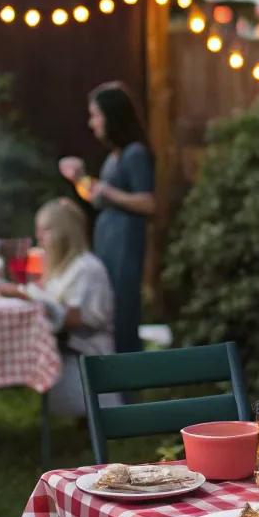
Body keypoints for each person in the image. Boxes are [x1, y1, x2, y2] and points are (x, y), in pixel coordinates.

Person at [0, 198, 115, 415]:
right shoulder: (65, 268)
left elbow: (74, 318)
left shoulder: (86, 268)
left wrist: (25, 294)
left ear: (65, 232)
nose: (39, 237)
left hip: (85, 353)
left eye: (46, 230)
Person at [59, 81, 154, 352]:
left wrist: (106, 190)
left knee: (122, 308)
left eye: (96, 115)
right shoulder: (114, 157)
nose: (92, 123)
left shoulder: (135, 153)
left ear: (113, 116)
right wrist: (79, 179)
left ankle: (128, 385)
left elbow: (148, 202)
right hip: (108, 240)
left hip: (124, 242)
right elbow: (100, 195)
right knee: (108, 306)